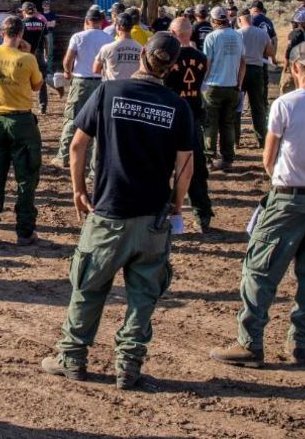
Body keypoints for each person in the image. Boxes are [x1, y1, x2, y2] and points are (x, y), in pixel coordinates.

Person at [41, 32, 193, 390]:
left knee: (89, 286)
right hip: (152, 218)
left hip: (108, 211)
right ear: (171, 67)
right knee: (143, 296)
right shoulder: (177, 106)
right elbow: (186, 165)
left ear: (142, 54)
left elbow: (78, 145)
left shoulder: (109, 92)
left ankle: (73, 357)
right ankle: (128, 365)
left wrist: (78, 190)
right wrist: (176, 204)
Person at [210, 55, 305, 368]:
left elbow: (268, 156)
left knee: (260, 269)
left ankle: (250, 342)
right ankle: (299, 343)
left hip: (287, 196)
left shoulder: (285, 104)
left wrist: (280, 181)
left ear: (296, 69)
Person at [0, 16, 43, 246]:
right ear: (21, 34)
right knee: (26, 179)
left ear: (1, 32)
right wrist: (26, 52)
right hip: (22, 120)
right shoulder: (28, 58)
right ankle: (25, 231)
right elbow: (36, 85)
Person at [165, 17, 213, 232]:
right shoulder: (202, 58)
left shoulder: (169, 58)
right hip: (192, 114)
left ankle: (164, 211)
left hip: (172, 115)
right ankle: (202, 213)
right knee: (195, 167)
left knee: (165, 165)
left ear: (174, 33)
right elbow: (203, 79)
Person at [54, 8, 111, 169]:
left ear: (86, 22)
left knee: (72, 118)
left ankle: (63, 156)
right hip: (101, 82)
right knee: (99, 120)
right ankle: (94, 160)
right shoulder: (108, 37)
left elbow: (68, 59)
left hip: (80, 81)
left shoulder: (78, 37)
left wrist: (67, 72)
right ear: (100, 22)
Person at [202, 6, 245, 171]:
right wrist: (239, 83)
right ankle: (228, 159)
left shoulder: (211, 37)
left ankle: (209, 158)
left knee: (210, 124)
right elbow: (243, 62)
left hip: (214, 85)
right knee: (228, 123)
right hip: (232, 86)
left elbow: (207, 63)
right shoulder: (238, 36)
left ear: (214, 21)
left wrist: (202, 82)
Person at [237, 12, 272, 147]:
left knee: (237, 107)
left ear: (240, 20)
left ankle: (235, 140)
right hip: (257, 70)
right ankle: (262, 139)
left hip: (241, 71)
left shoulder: (237, 33)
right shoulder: (262, 33)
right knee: (258, 107)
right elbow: (270, 52)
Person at [19, 2, 49, 113]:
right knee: (41, 80)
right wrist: (46, 53)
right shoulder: (42, 23)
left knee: (23, 79)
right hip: (39, 54)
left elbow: (19, 39)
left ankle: (25, 105)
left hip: (25, 55)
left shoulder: (21, 24)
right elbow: (46, 40)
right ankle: (43, 106)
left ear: (24, 11)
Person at [94, 13, 142, 81]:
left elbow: (95, 69)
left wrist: (106, 73)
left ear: (118, 27)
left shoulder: (107, 48)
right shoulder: (141, 48)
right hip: (133, 87)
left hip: (113, 87)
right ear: (131, 27)